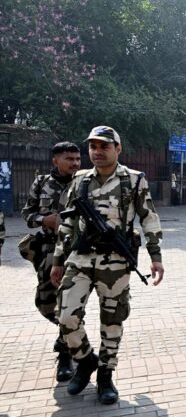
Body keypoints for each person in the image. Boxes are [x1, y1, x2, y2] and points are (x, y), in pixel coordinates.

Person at [50, 126, 165, 404]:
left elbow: (148, 217)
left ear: (118, 149)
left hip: (115, 261)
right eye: (93, 146)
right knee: (65, 316)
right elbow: (67, 222)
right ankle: (86, 360)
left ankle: (105, 374)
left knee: (112, 320)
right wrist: (57, 260)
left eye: (104, 146)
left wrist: (156, 256)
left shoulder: (134, 180)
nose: (97, 151)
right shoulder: (80, 179)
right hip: (80, 258)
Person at [20, 141, 82, 382]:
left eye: (77, 159)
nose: (75, 163)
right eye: (69, 159)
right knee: (45, 303)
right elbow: (27, 214)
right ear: (55, 160)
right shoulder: (41, 182)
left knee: (72, 302)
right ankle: (69, 334)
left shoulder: (85, 183)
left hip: (76, 252)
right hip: (47, 252)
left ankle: (66, 353)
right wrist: (44, 220)